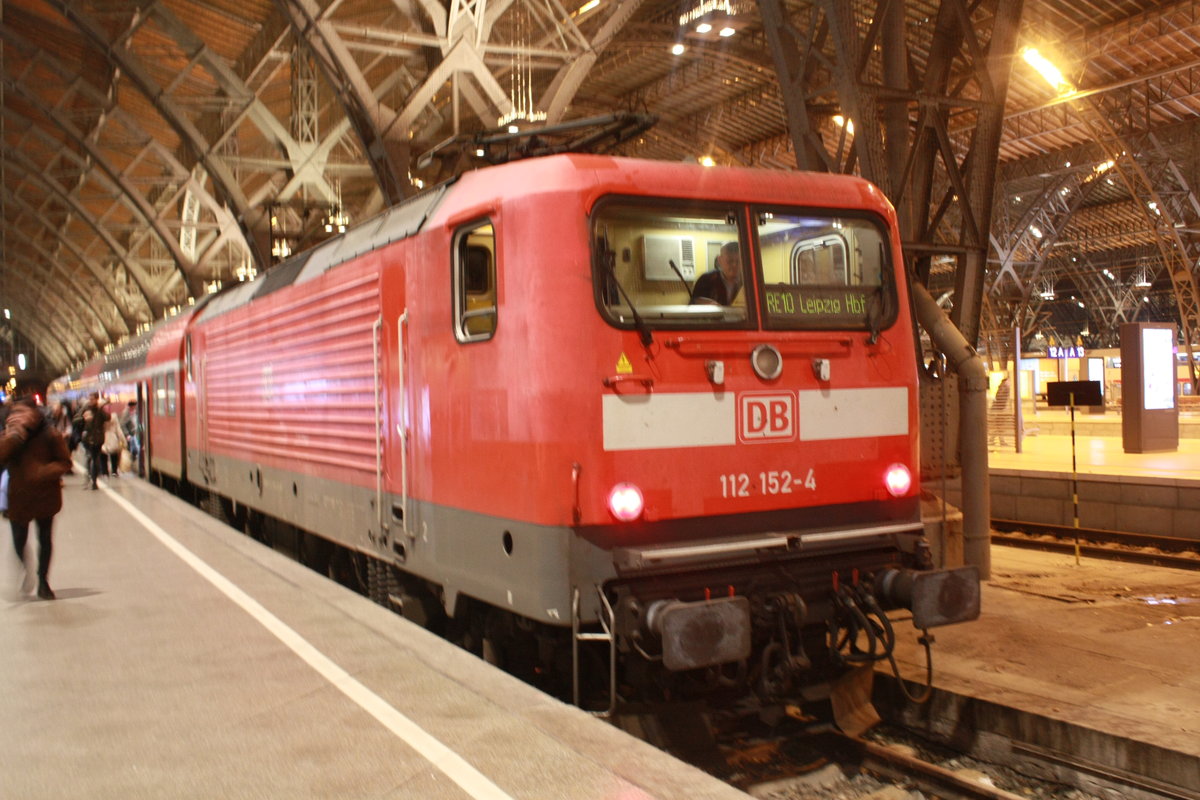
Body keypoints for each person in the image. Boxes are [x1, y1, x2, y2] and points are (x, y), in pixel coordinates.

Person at [0, 398, 72, 600]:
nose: (20, 416)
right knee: (18, 540)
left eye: (24, 412)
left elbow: (65, 462)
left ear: (35, 414)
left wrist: (42, 472)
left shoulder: (50, 434)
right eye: (17, 412)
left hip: (44, 497)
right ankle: (26, 567)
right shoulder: (10, 433)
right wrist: (14, 437)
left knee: (45, 539)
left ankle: (43, 582)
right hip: (18, 498)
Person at [690, 241, 743, 305]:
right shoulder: (706, 279)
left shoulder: (749, 282)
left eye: (738, 261)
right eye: (730, 261)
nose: (734, 265)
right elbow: (692, 303)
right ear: (719, 260)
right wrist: (701, 302)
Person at [74, 393, 109, 490]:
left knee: (96, 459)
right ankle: (88, 478)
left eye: (92, 399)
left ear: (97, 400)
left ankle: (94, 481)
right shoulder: (85, 408)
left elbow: (108, 418)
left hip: (98, 439)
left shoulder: (100, 410)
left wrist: (101, 408)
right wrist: (83, 418)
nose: (90, 400)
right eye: (90, 399)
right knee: (89, 458)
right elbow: (75, 420)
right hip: (87, 438)